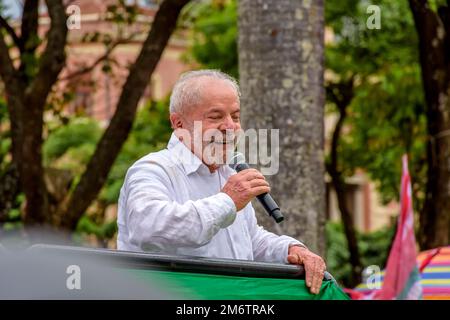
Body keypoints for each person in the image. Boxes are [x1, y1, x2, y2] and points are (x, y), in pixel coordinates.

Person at [117, 70, 326, 294]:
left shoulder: (227, 172)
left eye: (235, 117)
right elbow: (149, 230)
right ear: (178, 123)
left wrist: (289, 248)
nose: (230, 127)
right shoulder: (152, 169)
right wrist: (227, 200)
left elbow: (249, 242)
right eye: (216, 117)